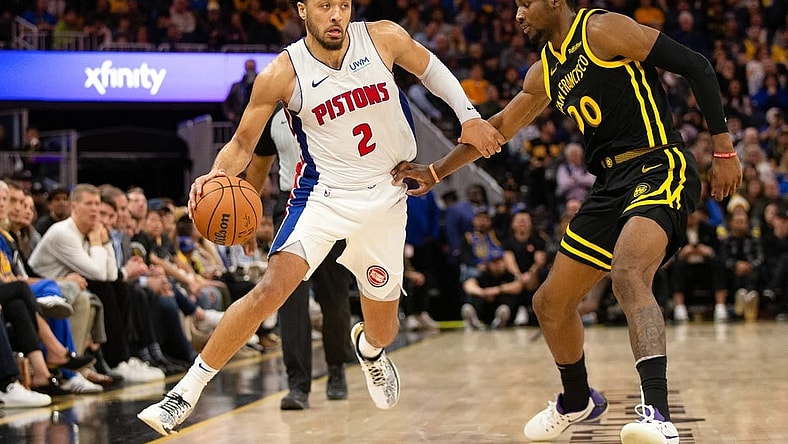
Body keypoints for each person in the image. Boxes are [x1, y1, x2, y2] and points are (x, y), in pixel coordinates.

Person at [138, 0, 504, 435]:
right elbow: (242, 144)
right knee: (271, 289)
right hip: (323, 195)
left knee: (383, 330)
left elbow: (431, 69)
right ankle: (183, 395)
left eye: (343, 5)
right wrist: (216, 174)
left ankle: (368, 351)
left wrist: (469, 117)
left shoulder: (382, 37)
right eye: (325, 5)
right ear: (302, 10)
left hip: (388, 193)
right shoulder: (281, 72)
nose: (336, 15)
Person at [391, 2, 741, 443]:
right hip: (609, 184)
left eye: (525, 3)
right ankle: (578, 400)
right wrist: (437, 170)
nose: (517, 14)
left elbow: (696, 65)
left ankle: (658, 414)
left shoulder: (603, 30)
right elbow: (497, 127)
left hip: (658, 163)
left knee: (629, 272)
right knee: (549, 304)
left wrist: (723, 148)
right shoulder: (543, 73)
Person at [244, 102, 355, 410]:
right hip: (290, 206)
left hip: (333, 204)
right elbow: (258, 167)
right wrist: (249, 221)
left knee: (334, 298)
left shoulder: (333, 104)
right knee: (288, 299)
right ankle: (298, 385)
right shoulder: (272, 116)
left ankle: (336, 370)